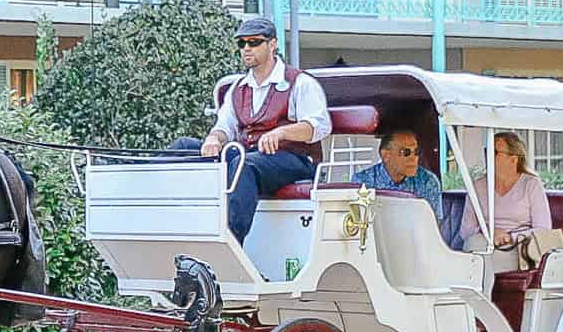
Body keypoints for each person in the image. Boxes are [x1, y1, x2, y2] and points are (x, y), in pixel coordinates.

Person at [167, 15, 331, 243]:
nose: (246, 48)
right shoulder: (239, 87)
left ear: (272, 44)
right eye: (241, 43)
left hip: (295, 160)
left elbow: (319, 126)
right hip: (252, 156)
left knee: (244, 165)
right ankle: (168, 220)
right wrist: (214, 138)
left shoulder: (299, 82)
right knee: (184, 147)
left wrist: (281, 133)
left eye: (254, 42)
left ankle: (231, 243)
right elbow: (225, 126)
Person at [465, 130, 559, 269]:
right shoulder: (478, 186)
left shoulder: (531, 184)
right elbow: (466, 230)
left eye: (494, 152)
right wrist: (491, 232)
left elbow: (543, 228)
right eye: (487, 151)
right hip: (484, 243)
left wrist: (509, 236)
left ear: (513, 159)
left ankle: (482, 288)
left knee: (482, 262)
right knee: (474, 246)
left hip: (519, 248)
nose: (488, 156)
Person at [350, 124, 443, 225]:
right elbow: (360, 225)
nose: (414, 158)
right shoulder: (363, 182)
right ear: (386, 155)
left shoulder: (427, 181)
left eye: (416, 152)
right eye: (406, 152)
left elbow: (432, 227)